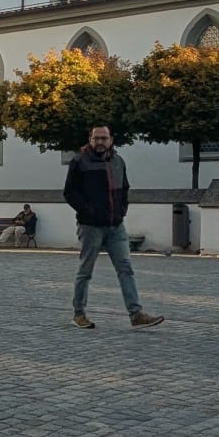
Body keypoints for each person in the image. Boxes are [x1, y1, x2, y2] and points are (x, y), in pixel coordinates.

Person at [63, 125, 163, 329]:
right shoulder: (79, 161)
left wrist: (122, 210)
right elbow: (70, 192)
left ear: (111, 140)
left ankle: (136, 314)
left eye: (104, 138)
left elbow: (124, 188)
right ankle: (79, 313)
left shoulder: (118, 161)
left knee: (126, 269)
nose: (100, 142)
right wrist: (88, 211)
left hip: (116, 226)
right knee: (85, 270)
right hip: (90, 227)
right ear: (90, 139)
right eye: (96, 138)